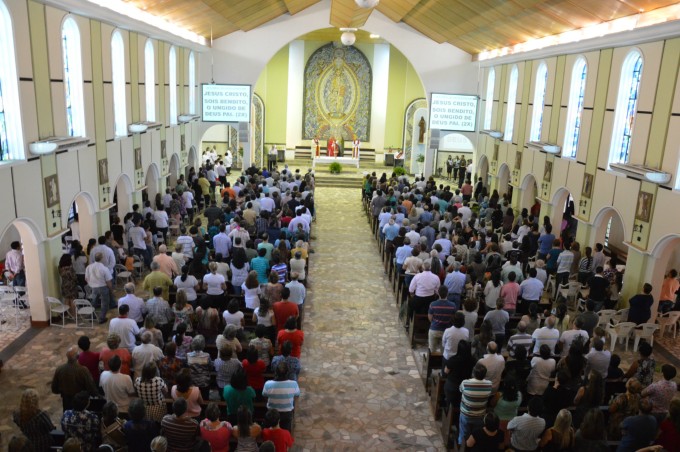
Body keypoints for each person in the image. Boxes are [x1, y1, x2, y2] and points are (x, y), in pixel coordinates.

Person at [51, 347, 98, 412]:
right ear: (78, 356)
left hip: (66, 401)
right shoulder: (83, 370)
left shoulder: (59, 369)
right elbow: (91, 387)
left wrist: (64, 392)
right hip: (81, 402)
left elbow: (54, 389)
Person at [458, 363, 493, 446]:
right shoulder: (489, 384)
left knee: (464, 433)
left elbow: (460, 390)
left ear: (473, 373)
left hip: (466, 414)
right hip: (480, 415)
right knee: (476, 434)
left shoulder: (465, 383)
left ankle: (461, 446)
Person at [263, 361, 300, 432]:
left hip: (272, 413)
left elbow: (265, 396)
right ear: (287, 373)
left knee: (271, 433)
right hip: (287, 412)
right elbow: (296, 396)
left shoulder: (268, 384)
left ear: (275, 372)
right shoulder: (293, 384)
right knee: (286, 431)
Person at [85, 252, 113, 324]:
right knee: (104, 303)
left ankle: (92, 316)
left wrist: (91, 284)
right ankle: (101, 318)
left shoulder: (89, 267)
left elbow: (86, 278)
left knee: (93, 302)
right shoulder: (104, 268)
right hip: (103, 287)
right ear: (102, 259)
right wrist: (110, 289)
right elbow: (108, 281)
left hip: (93, 287)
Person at [427, 285, 457, 353]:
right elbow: (453, 318)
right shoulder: (453, 305)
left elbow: (430, 318)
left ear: (438, 293)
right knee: (444, 351)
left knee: (432, 350)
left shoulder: (433, 304)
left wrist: (435, 322)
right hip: (446, 330)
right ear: (447, 293)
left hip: (434, 329)